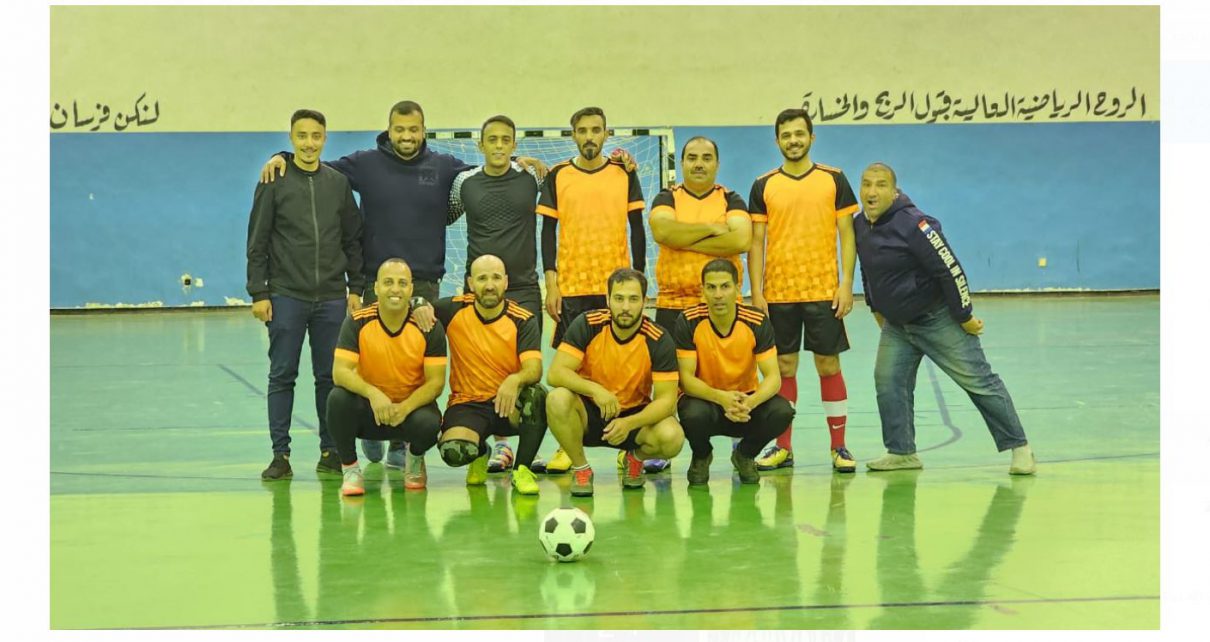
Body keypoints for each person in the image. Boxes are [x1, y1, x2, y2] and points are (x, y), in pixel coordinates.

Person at [260, 101, 544, 469]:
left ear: (423, 131)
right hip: (377, 282)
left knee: (411, 366)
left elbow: (489, 164)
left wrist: (519, 161)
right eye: (400, 129)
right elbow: (315, 163)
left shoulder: (444, 166)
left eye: (413, 129)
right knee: (376, 360)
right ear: (389, 130)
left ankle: (402, 440)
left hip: (424, 283)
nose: (407, 136)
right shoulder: (365, 163)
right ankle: (371, 424)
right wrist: (282, 156)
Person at [853, 163, 1036, 474]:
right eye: (866, 184)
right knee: (888, 381)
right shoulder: (860, 224)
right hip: (898, 326)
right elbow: (868, 270)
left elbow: (950, 269)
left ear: (894, 192)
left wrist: (964, 315)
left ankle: (1021, 449)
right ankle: (902, 452)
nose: (872, 192)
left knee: (979, 382)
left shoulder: (916, 224)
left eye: (881, 185)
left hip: (937, 318)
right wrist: (875, 307)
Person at [246, 108, 364, 481]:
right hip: (286, 296)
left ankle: (331, 450)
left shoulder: (338, 183)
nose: (309, 143)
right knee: (282, 375)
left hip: (331, 297)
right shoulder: (274, 180)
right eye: (302, 136)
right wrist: (259, 292)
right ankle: (280, 455)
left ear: (325, 139)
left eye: (316, 136)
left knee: (329, 377)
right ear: (291, 138)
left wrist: (356, 288)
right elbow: (258, 239)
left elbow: (352, 239)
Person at [748, 108, 859, 474]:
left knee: (829, 365)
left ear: (811, 137)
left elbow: (847, 235)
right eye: (786, 135)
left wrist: (846, 284)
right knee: (784, 367)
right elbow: (756, 242)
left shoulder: (834, 179)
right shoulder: (763, 185)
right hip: (778, 294)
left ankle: (839, 446)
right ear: (777, 141)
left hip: (823, 291)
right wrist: (757, 292)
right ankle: (783, 447)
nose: (793, 141)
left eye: (799, 134)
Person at [537, 107, 647, 474]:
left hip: (616, 289)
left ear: (606, 134)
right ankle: (567, 446)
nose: (589, 136)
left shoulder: (624, 172)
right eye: (582, 130)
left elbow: (637, 227)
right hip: (573, 287)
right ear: (573, 135)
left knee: (627, 363)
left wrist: (640, 280)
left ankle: (630, 441)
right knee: (573, 369)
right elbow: (547, 233)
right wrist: (552, 283)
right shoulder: (558, 175)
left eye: (596, 130)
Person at [646, 136, 752, 474]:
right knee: (669, 378)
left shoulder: (731, 198)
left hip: (720, 305)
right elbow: (662, 232)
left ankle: (739, 438)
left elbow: (741, 239)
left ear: (717, 164)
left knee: (730, 370)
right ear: (682, 163)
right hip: (672, 303)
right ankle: (663, 444)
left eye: (707, 157)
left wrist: (683, 237)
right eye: (692, 157)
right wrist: (710, 229)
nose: (699, 164)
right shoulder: (667, 197)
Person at [447, 115, 544, 475]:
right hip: (480, 291)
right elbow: (443, 216)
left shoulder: (532, 177)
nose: (499, 145)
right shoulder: (465, 182)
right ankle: (498, 444)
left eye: (506, 140)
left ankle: (524, 452)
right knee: (483, 367)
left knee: (524, 370)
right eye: (492, 139)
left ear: (514, 145)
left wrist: (620, 160)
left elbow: (568, 175)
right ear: (481, 145)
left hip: (524, 288)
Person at [544, 269, 684, 496]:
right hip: (589, 412)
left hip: (634, 417)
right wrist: (595, 390)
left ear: (645, 302)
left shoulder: (658, 338)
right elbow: (555, 373)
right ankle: (581, 469)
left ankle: (634, 459)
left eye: (633, 299)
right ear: (608, 299)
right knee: (556, 398)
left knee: (672, 437)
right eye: (619, 299)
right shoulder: (588, 324)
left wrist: (629, 423)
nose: (625, 307)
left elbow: (667, 402)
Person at [326, 259, 448, 496]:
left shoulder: (428, 326)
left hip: (407, 412)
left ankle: (414, 460)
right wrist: (373, 394)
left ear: (411, 289)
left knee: (430, 423)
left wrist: (405, 407)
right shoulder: (358, 321)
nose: (395, 289)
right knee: (337, 400)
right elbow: (340, 372)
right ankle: (350, 469)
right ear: (376, 288)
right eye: (388, 282)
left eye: (402, 283)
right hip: (371, 409)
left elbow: (436, 383)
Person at [432, 255, 548, 495]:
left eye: (496, 278)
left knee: (537, 396)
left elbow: (534, 369)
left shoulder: (522, 319)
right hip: (467, 403)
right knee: (454, 452)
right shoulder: (452, 309)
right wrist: (419, 305)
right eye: (482, 278)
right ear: (470, 283)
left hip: (506, 404)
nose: (489, 285)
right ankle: (481, 452)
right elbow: (413, 307)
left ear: (506, 282)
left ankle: (522, 470)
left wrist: (515, 379)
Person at [673, 259, 793, 484]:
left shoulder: (756, 321)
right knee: (691, 414)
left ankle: (744, 455)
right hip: (707, 401)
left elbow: (773, 377)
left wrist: (751, 402)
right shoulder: (689, 321)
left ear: (738, 289)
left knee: (782, 411)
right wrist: (721, 398)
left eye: (725, 286)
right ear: (702, 291)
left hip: (744, 403)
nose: (718, 294)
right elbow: (686, 380)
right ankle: (701, 455)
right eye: (711, 287)